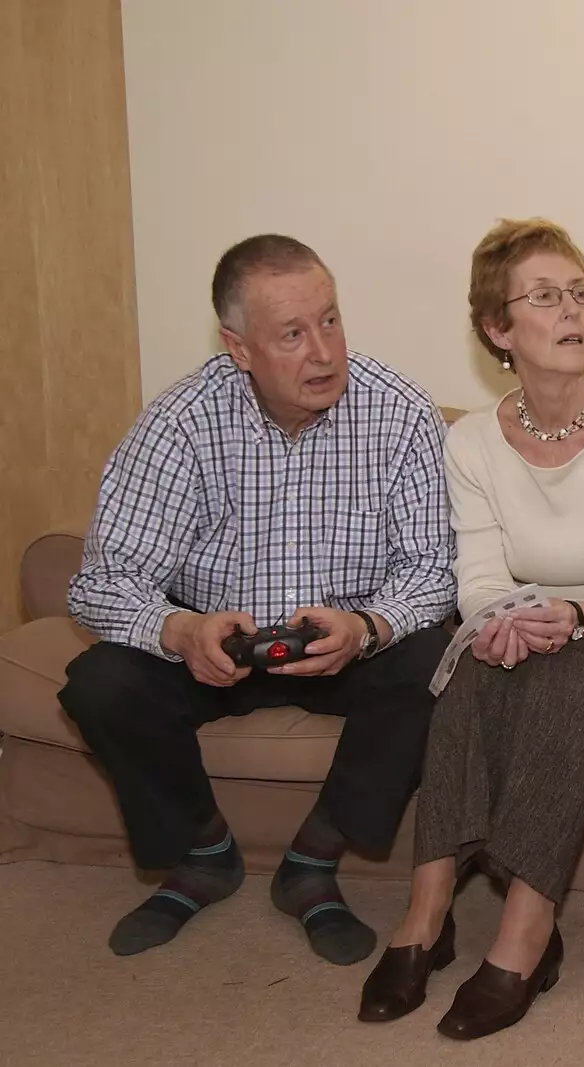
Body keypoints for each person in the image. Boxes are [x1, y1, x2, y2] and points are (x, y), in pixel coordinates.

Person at [358, 218, 584, 1041]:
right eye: (547, 296)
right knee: (466, 670)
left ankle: (526, 930)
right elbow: (482, 577)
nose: (574, 311)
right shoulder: (471, 442)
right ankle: (427, 912)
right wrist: (494, 625)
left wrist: (577, 618)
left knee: (566, 673)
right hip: (535, 639)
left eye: (582, 292)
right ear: (498, 328)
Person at [59, 234, 456, 967]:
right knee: (100, 681)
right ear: (238, 348)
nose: (324, 352)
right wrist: (180, 631)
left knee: (436, 659)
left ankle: (313, 859)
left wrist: (369, 626)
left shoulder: (399, 413)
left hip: (344, 642)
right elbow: (100, 581)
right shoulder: (181, 423)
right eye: (293, 334)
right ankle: (205, 851)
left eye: (331, 320)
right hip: (218, 645)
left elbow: (433, 570)